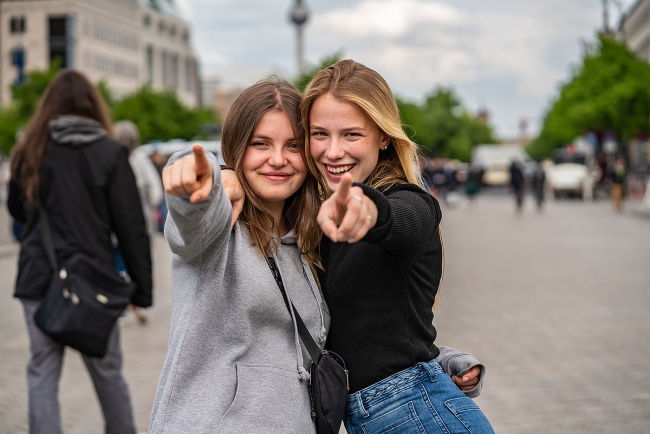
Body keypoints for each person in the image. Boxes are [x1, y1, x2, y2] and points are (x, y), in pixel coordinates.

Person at [300, 59, 494, 433]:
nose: (332, 151)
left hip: (418, 414)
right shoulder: (321, 219)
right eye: (319, 134)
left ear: (384, 137)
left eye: (352, 135)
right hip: (379, 416)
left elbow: (400, 221)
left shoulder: (409, 201)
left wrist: (367, 209)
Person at [149, 78, 328, 433]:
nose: (278, 159)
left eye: (293, 145)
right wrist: (204, 177)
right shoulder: (220, 226)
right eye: (260, 143)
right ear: (236, 147)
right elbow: (191, 216)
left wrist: (435, 363)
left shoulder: (313, 241)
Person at [7, 69, 152, 434]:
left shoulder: (30, 150)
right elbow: (131, 227)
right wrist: (142, 289)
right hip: (93, 284)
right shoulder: (110, 152)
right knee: (107, 374)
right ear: (92, 105)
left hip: (39, 279)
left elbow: (16, 210)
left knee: (42, 372)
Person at [114, 120, 164, 237]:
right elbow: (155, 191)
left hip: (117, 224)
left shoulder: (110, 158)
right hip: (142, 221)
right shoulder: (141, 159)